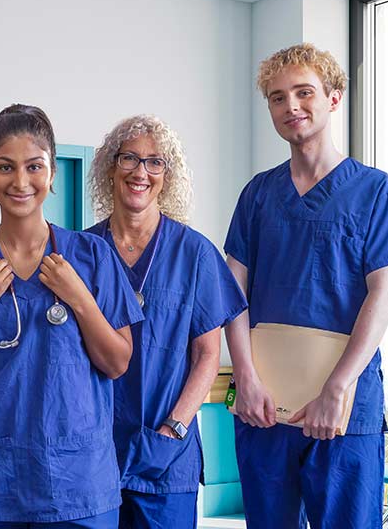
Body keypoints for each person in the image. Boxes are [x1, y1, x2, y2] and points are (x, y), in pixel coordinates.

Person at [224, 43, 388, 528]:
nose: (291, 107)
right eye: (277, 98)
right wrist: (247, 377)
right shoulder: (258, 194)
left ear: (334, 98)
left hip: (343, 404)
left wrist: (337, 387)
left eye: (304, 93)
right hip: (265, 404)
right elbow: (231, 292)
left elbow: (385, 297)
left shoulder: (376, 191)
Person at [0, 104, 144, 528]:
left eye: (33, 167)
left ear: (52, 172)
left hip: (74, 482)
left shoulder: (92, 259)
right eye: (5, 167)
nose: (20, 182)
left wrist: (80, 299)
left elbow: (117, 362)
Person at [86, 115, 247, 528]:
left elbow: (208, 356)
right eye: (129, 159)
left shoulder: (194, 254)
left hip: (167, 454)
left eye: (155, 162)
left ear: (167, 175)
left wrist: (174, 428)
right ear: (110, 167)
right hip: (94, 450)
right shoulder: (84, 252)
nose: (141, 172)